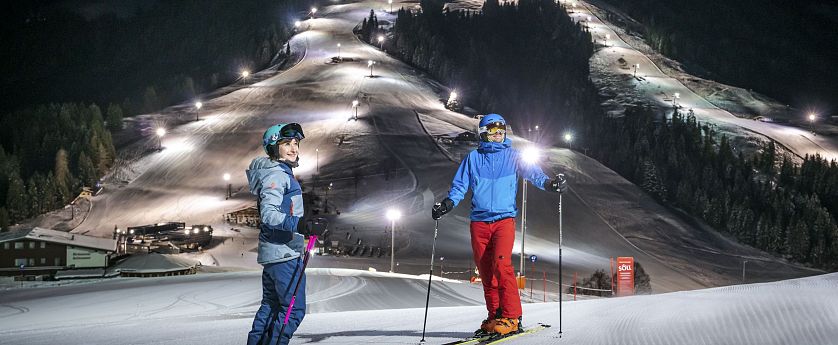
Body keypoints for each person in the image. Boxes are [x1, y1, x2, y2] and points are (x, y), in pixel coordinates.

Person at [431, 113, 567, 336]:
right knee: (486, 271)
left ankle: (512, 317)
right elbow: (459, 187)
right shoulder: (473, 158)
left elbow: (533, 173)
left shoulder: (513, 156)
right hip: (479, 222)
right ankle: (495, 315)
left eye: (501, 132)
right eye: (493, 132)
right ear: (484, 133)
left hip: (504, 220)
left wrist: (550, 184)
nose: (498, 135)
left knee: (502, 265)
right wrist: (447, 204)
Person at [246, 123, 308, 345]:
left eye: (295, 143)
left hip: (275, 253)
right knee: (293, 310)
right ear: (274, 147)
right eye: (286, 143)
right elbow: (269, 214)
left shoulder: (278, 172)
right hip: (284, 254)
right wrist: (300, 224)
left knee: (271, 306)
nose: (293, 148)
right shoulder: (277, 175)